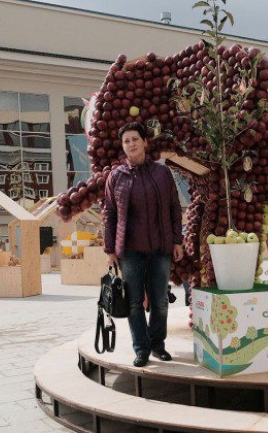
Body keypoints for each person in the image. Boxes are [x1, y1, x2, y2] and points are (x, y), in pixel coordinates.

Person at [103, 122, 184, 367]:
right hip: (130, 251)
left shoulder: (162, 173)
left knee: (160, 300)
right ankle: (141, 349)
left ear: (145, 142)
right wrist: (109, 248)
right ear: (123, 146)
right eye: (126, 141)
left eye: (135, 139)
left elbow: (174, 208)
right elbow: (109, 213)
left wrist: (177, 240)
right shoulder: (116, 176)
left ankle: (158, 344)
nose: (131, 144)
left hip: (160, 247)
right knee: (135, 302)